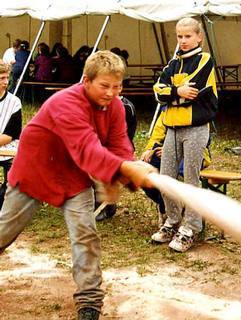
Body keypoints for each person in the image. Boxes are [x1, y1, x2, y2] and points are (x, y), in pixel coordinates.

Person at [0, 50, 156, 320]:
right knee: (4, 229)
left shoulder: (115, 106)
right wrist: (123, 168)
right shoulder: (66, 102)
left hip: (73, 173)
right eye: (104, 86)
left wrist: (125, 169)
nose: (111, 93)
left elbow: (119, 143)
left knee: (85, 233)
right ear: (86, 80)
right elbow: (87, 147)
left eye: (117, 87)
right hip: (36, 167)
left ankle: (90, 302)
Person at [150, 17, 218, 252]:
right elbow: (158, 91)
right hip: (172, 128)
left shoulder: (205, 60)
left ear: (199, 37)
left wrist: (172, 94)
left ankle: (191, 228)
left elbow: (194, 90)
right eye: (179, 36)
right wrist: (175, 92)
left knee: (191, 179)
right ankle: (172, 220)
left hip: (196, 129)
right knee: (166, 177)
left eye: (188, 36)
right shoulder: (173, 63)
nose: (183, 41)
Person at [140, 110, 212, 227]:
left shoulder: (198, 111)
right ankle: (166, 208)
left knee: (174, 173)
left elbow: (200, 141)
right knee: (145, 169)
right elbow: (156, 135)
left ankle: (181, 218)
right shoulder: (167, 111)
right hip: (165, 152)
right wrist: (151, 150)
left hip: (192, 154)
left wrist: (172, 151)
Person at [0, 60, 22, 208]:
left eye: (7, 77)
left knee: (13, 185)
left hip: (9, 148)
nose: (6, 82)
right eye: (2, 78)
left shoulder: (14, 102)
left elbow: (12, 134)